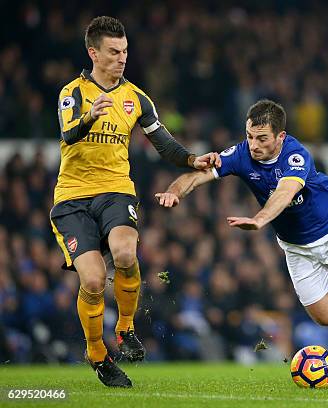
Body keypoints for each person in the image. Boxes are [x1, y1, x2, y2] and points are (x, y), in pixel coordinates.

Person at [155, 99, 328, 350]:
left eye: (262, 138)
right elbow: (198, 175)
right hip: (296, 245)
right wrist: (174, 191)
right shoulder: (241, 154)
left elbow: (285, 192)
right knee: (327, 318)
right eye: (250, 136)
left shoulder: (295, 154)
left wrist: (259, 219)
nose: (254, 145)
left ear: (280, 137)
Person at [50, 16, 207, 387]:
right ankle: (97, 353)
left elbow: (163, 143)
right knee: (91, 280)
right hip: (72, 198)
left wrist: (191, 160)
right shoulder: (72, 92)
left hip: (117, 189)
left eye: (125, 51)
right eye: (114, 52)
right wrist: (91, 115)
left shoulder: (136, 97)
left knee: (124, 255)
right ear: (94, 52)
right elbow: (68, 133)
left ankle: (125, 327)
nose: (122, 58)